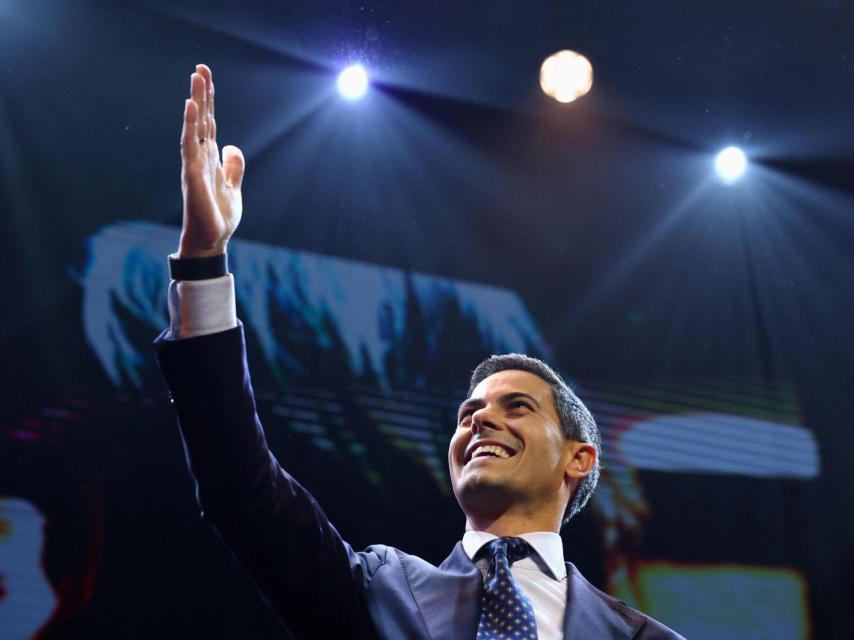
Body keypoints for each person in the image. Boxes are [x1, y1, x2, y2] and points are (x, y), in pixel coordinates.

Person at [154, 64, 683, 639]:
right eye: (469, 412)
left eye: (518, 407)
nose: (480, 418)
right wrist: (204, 260)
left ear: (579, 460)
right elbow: (241, 486)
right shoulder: (378, 589)